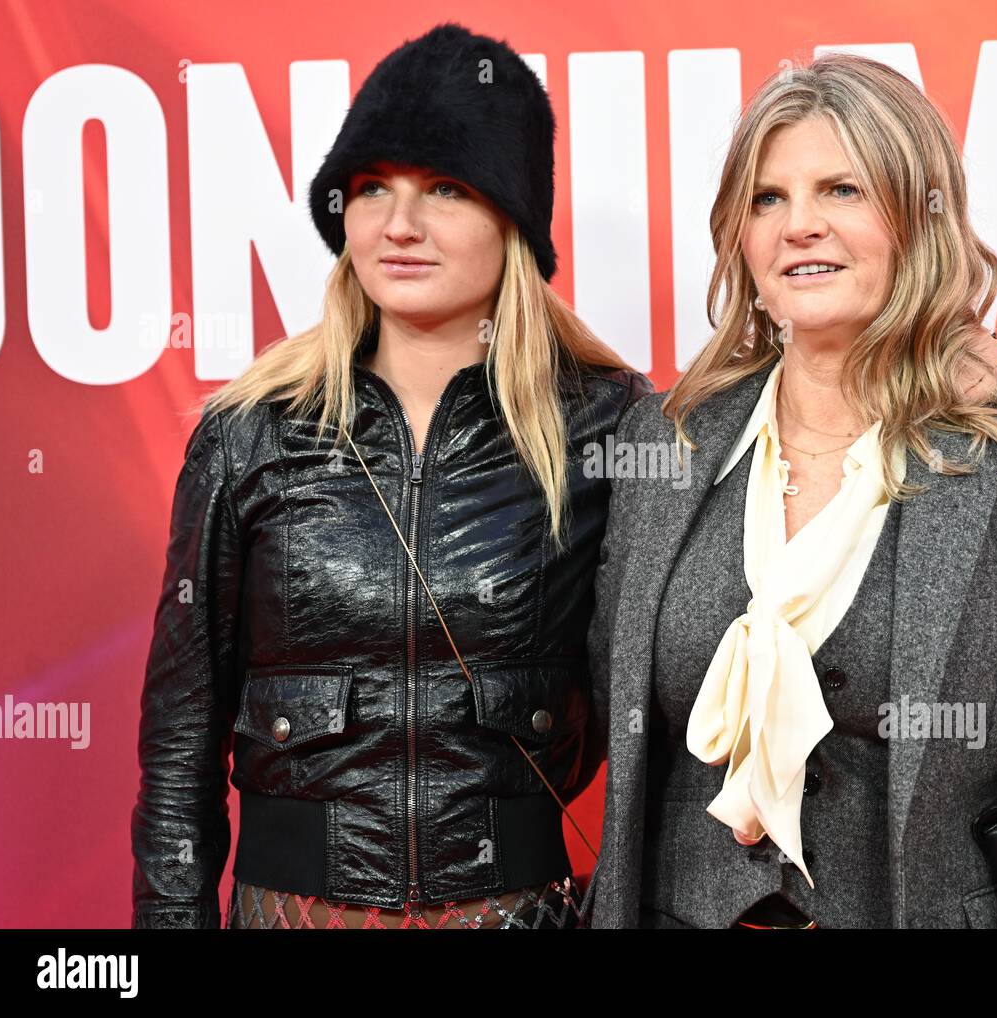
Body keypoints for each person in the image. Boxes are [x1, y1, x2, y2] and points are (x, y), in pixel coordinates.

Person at [582, 52, 997, 928]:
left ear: (918, 217)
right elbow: (608, 708)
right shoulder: (663, 446)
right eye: (768, 198)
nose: (800, 227)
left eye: (843, 190)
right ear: (739, 237)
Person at [130, 22, 650, 930]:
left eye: (445, 188)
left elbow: (680, 694)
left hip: (520, 914)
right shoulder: (248, 434)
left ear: (514, 219)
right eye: (372, 190)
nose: (398, 225)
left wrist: (976, 369)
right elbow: (180, 741)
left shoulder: (610, 425)